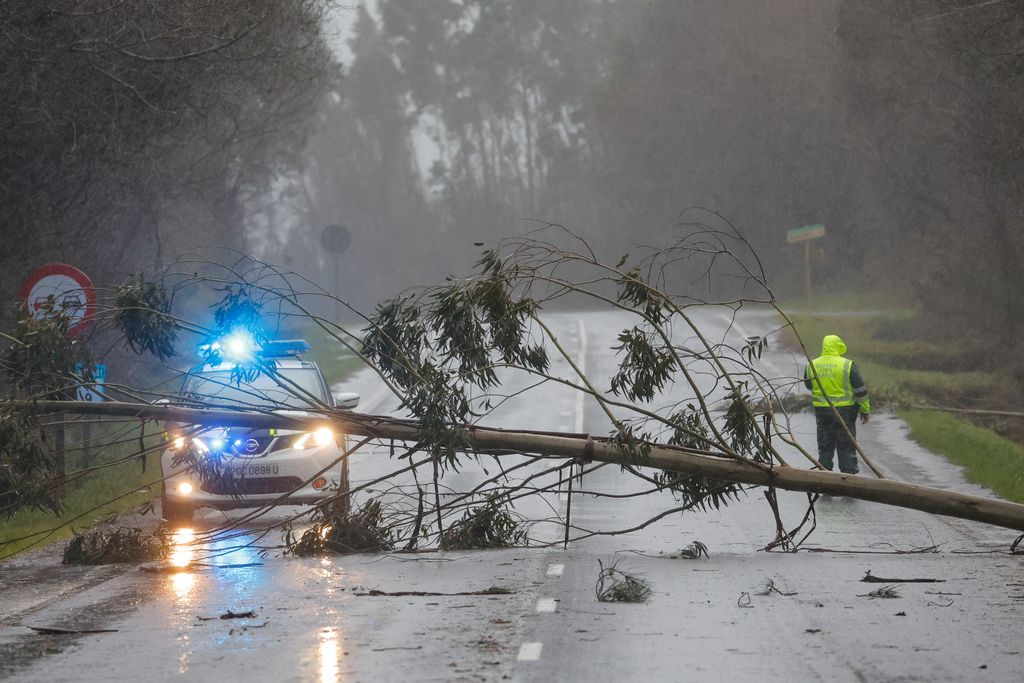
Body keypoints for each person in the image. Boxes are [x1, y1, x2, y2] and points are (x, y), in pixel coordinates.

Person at [804, 334, 870, 474]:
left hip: (822, 412)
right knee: (846, 445)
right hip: (845, 412)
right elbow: (860, 391)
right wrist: (865, 411)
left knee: (825, 445)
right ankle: (848, 479)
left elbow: (809, 385)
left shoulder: (812, 365)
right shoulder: (848, 365)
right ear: (839, 346)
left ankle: (825, 476)